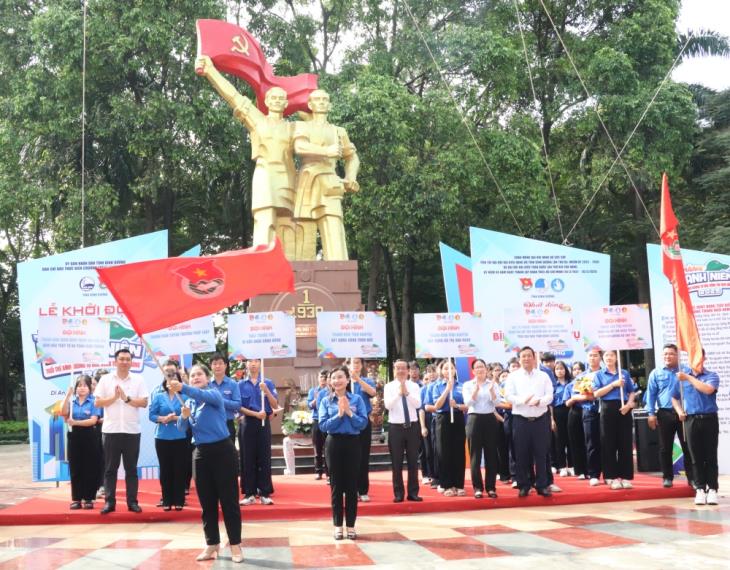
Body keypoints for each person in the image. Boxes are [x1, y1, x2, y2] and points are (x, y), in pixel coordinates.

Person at [195, 55, 299, 256]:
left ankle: (287, 265)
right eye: (273, 97)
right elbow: (233, 96)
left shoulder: (293, 128)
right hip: (265, 173)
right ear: (266, 101)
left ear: (286, 103)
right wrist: (210, 72)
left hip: (287, 177)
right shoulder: (257, 120)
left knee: (288, 223)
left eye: (281, 98)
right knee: (265, 219)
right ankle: (262, 261)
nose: (277, 101)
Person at [170, 365, 242, 563]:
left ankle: (235, 545)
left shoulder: (214, 395)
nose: (195, 377)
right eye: (192, 376)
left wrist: (182, 387)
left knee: (229, 501)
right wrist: (183, 417)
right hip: (200, 454)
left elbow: (202, 395)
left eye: (199, 374)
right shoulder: (190, 402)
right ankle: (212, 544)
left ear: (207, 377)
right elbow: (182, 428)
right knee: (207, 503)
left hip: (223, 451)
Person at [293, 89, 360, 260]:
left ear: (329, 104)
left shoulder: (339, 131)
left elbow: (352, 157)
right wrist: (326, 151)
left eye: (325, 99)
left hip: (330, 182)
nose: (322, 102)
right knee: (303, 230)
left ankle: (339, 274)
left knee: (334, 227)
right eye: (317, 99)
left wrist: (351, 177)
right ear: (310, 105)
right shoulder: (302, 126)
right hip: (307, 181)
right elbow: (299, 147)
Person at [93, 348, 149, 514]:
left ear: (131, 362)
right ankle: (109, 503)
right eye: (121, 359)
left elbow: (144, 402)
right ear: (115, 361)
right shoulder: (105, 379)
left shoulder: (138, 379)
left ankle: (132, 502)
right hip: (111, 431)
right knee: (110, 469)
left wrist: (126, 399)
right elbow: (97, 403)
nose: (124, 362)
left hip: (132, 431)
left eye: (127, 359)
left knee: (131, 469)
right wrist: (115, 398)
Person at [318, 365, 368, 540]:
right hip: (334, 444)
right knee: (336, 486)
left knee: (352, 486)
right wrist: (339, 415)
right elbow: (323, 426)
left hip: (353, 444)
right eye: (333, 378)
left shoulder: (356, 400)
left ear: (347, 380)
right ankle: (338, 525)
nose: (336, 381)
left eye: (340, 377)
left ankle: (351, 526)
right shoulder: (325, 401)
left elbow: (362, 424)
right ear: (330, 382)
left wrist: (349, 413)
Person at [671, 350, 720, 505]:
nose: (696, 359)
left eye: (699, 356)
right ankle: (699, 489)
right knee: (695, 456)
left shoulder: (711, 375)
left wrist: (689, 378)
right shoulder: (681, 378)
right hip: (691, 420)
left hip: (709, 419)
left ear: (704, 358)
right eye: (693, 356)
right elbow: (673, 397)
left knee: (710, 455)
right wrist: (679, 411)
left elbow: (707, 389)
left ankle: (712, 489)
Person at [505, 346, 554, 497]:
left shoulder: (543, 376)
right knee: (521, 454)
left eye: (529, 356)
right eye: (523, 356)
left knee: (541, 453)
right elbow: (508, 396)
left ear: (534, 358)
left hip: (540, 420)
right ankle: (524, 485)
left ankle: (542, 485)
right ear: (519, 359)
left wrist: (539, 401)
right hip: (521, 420)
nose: (526, 358)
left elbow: (550, 395)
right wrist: (522, 400)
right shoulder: (513, 377)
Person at [646, 343, 694, 488]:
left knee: (688, 447)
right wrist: (651, 414)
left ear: (677, 355)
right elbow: (651, 395)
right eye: (665, 354)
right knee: (665, 447)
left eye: (671, 354)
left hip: (684, 413)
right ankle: (667, 477)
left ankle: (692, 478)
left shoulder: (686, 370)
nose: (668, 356)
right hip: (664, 413)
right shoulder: (656, 372)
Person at [593, 351, 637, 489]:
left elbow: (631, 392)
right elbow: (596, 393)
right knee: (608, 443)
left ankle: (625, 476)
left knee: (625, 442)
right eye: (606, 356)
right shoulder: (599, 374)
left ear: (616, 358)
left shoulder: (624, 373)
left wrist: (629, 405)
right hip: (607, 408)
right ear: (603, 359)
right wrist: (613, 385)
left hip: (623, 408)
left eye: (612, 355)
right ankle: (610, 477)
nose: (609, 358)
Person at [238, 359, 278, 505]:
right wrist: (254, 414)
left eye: (256, 361)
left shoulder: (268, 382)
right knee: (247, 457)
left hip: (263, 422)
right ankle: (249, 493)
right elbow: (238, 407)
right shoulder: (240, 384)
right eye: (250, 361)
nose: (253, 364)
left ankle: (265, 493)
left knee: (264, 456)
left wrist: (266, 390)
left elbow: (275, 404)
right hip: (248, 422)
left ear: (260, 363)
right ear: (246, 364)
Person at [149, 366, 187, 510]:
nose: (172, 382)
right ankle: (166, 499)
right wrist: (163, 418)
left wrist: (176, 417)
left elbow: (188, 415)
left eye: (175, 380)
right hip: (162, 437)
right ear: (165, 382)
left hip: (180, 436)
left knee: (179, 469)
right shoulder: (159, 396)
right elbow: (151, 415)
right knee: (165, 469)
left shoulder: (184, 397)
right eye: (169, 379)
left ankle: (179, 500)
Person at [384, 359, 423, 502]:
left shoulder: (414, 386)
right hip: (396, 427)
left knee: (413, 461)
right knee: (397, 462)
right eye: (397, 368)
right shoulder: (389, 386)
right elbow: (388, 406)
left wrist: (407, 393)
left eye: (403, 368)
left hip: (412, 427)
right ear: (394, 370)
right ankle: (398, 493)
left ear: (408, 370)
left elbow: (418, 404)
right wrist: (398, 394)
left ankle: (413, 493)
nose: (400, 371)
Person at [61, 375, 101, 509]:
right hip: (74, 436)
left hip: (90, 435)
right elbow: (63, 413)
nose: (82, 388)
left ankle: (89, 498)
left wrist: (76, 422)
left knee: (89, 467)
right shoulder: (72, 401)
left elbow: (93, 420)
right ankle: (77, 498)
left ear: (89, 388)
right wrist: (67, 395)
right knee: (75, 467)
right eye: (79, 385)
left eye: (84, 386)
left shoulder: (94, 401)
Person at [428, 359, 467, 497]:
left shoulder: (462, 386)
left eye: (451, 367)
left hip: (458, 418)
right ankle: (447, 484)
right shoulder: (436, 386)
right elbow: (436, 405)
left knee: (458, 451)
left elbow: (468, 405)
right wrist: (447, 390)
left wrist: (457, 405)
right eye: (445, 368)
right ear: (441, 371)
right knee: (444, 452)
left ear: (455, 370)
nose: (449, 370)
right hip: (442, 419)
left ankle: (459, 484)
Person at [462, 359, 500, 498]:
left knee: (491, 454)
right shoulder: (468, 385)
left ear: (486, 369)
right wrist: (475, 391)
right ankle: (477, 487)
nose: (480, 369)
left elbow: (497, 403)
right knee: (475, 456)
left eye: (482, 367)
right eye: (477, 367)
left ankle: (491, 487)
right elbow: (467, 403)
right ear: (473, 371)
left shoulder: (492, 384)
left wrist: (492, 393)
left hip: (490, 418)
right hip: (474, 419)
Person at [349, 358, 376, 502]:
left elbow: (372, 393)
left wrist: (358, 379)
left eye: (358, 362)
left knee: (363, 457)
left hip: (363, 423)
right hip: (347, 424)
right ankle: (350, 489)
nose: (355, 365)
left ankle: (363, 489)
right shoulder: (343, 381)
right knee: (349, 458)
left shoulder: (366, 381)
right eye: (353, 362)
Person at [577, 349, 603, 486]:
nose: (593, 358)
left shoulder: (605, 374)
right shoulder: (582, 376)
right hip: (589, 411)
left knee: (607, 443)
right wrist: (591, 395)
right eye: (590, 356)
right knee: (591, 443)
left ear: (600, 358)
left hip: (605, 411)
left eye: (595, 356)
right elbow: (576, 395)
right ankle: (593, 474)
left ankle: (609, 474)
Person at [209, 354, 242, 443]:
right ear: (210, 366)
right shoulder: (206, 384)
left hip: (227, 424)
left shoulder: (233, 384)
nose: (217, 366)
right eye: (214, 364)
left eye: (220, 363)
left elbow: (238, 405)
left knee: (228, 455)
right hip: (210, 424)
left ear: (225, 366)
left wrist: (219, 400)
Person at [564, 362, 588, 480]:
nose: (577, 371)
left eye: (579, 369)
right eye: (574, 369)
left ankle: (590, 469)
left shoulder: (589, 383)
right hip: (574, 413)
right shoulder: (569, 386)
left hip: (588, 412)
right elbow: (567, 403)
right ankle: (580, 471)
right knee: (575, 442)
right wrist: (574, 398)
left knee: (588, 442)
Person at [494, 365, 515, 485]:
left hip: (512, 419)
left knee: (513, 448)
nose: (505, 377)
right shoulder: (499, 388)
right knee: (501, 449)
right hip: (500, 420)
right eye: (503, 375)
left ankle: (515, 474)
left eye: (507, 375)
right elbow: (495, 406)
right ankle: (504, 474)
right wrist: (502, 420)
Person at [308, 369, 330, 480]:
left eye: (325, 378)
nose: (323, 380)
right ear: (318, 378)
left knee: (328, 448)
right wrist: (316, 399)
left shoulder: (330, 391)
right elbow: (310, 405)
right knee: (317, 448)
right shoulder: (313, 391)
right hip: (316, 420)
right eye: (321, 377)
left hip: (327, 421)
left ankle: (329, 473)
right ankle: (318, 471)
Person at [552, 361, 573, 477]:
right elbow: (550, 404)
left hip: (570, 411)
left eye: (562, 368)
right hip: (557, 412)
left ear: (566, 370)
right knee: (559, 440)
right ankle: (561, 466)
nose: (560, 371)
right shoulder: (553, 385)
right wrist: (551, 419)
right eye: (557, 369)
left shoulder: (571, 383)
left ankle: (571, 465)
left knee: (571, 438)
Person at [418, 364, 436, 485]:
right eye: (429, 372)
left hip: (438, 420)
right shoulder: (423, 389)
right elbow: (421, 409)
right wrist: (423, 426)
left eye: (434, 371)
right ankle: (427, 474)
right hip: (427, 420)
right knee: (427, 450)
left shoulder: (440, 386)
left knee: (436, 450)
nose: (432, 374)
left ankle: (437, 474)